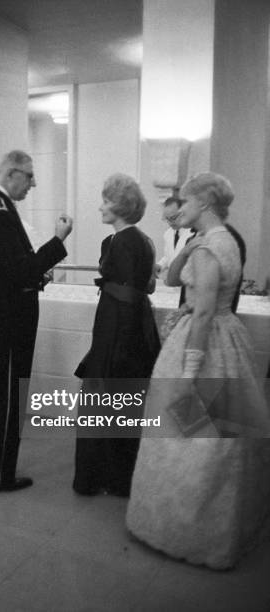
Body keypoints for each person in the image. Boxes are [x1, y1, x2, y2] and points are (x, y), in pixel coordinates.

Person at [126, 172, 270, 570]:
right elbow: (173, 279)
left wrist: (189, 370)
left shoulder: (210, 247)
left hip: (203, 340)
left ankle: (185, 528)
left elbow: (204, 308)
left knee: (192, 435)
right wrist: (188, 250)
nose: (180, 209)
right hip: (226, 337)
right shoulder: (217, 240)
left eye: (185, 203)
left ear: (205, 203)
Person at [0, 150, 73, 494]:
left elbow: (4, 270)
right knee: (4, 400)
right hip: (3, 323)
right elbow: (20, 269)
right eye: (30, 176)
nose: (33, 183)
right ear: (12, 174)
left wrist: (32, 278)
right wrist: (58, 239)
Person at [73, 174, 160, 497]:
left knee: (103, 396)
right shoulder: (141, 241)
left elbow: (128, 292)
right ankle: (119, 476)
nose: (100, 206)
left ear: (121, 206)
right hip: (130, 324)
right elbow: (146, 286)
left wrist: (114, 344)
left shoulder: (121, 242)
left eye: (106, 201)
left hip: (117, 328)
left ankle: (100, 476)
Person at [155, 196, 192, 278]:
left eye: (173, 218)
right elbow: (168, 256)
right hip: (173, 281)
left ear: (182, 213)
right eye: (167, 219)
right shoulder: (168, 234)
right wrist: (159, 266)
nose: (170, 223)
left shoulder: (192, 233)